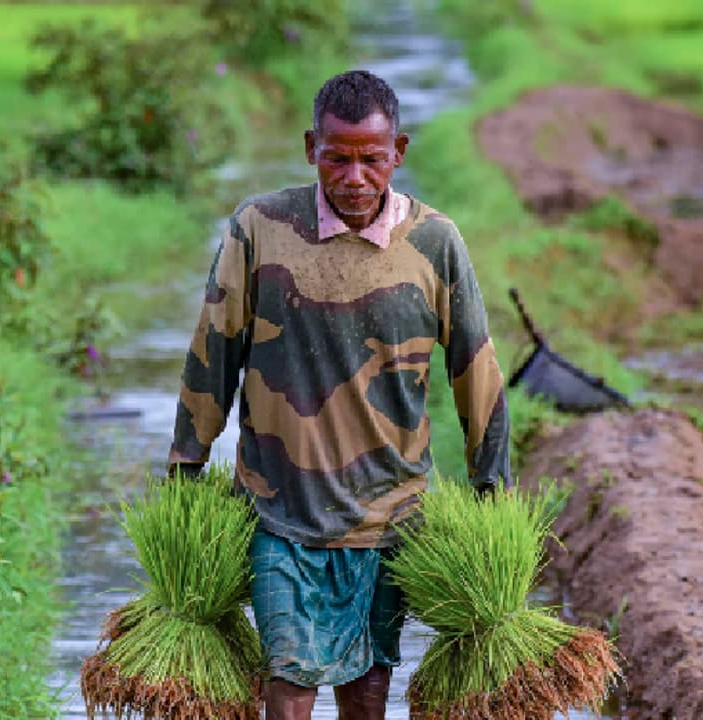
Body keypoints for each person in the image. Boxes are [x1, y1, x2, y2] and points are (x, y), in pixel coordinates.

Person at [167, 69, 512, 720]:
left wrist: (493, 485)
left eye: (372, 160)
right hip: (279, 510)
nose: (354, 178)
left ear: (398, 153)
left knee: (368, 691)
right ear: (311, 149)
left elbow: (477, 369)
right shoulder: (260, 229)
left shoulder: (434, 242)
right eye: (337, 159)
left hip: (390, 514)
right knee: (289, 681)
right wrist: (186, 463)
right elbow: (213, 352)